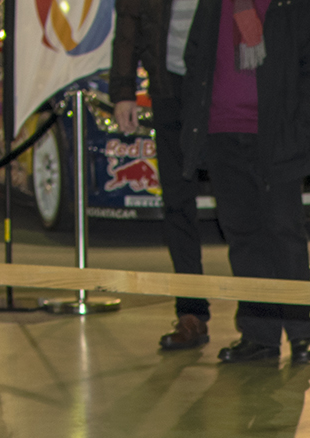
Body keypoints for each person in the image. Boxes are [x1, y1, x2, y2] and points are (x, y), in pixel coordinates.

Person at [178, 0, 310, 362]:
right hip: (222, 134)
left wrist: (300, 131)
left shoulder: (295, 5)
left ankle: (300, 333)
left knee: (284, 233)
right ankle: (259, 336)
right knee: (242, 235)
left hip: (278, 137)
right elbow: (195, 56)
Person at [111, 0, 217, 351]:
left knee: (236, 205)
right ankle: (191, 314)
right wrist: (123, 91)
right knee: (177, 203)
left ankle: (259, 322)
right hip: (168, 90)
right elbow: (127, 25)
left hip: (219, 90)